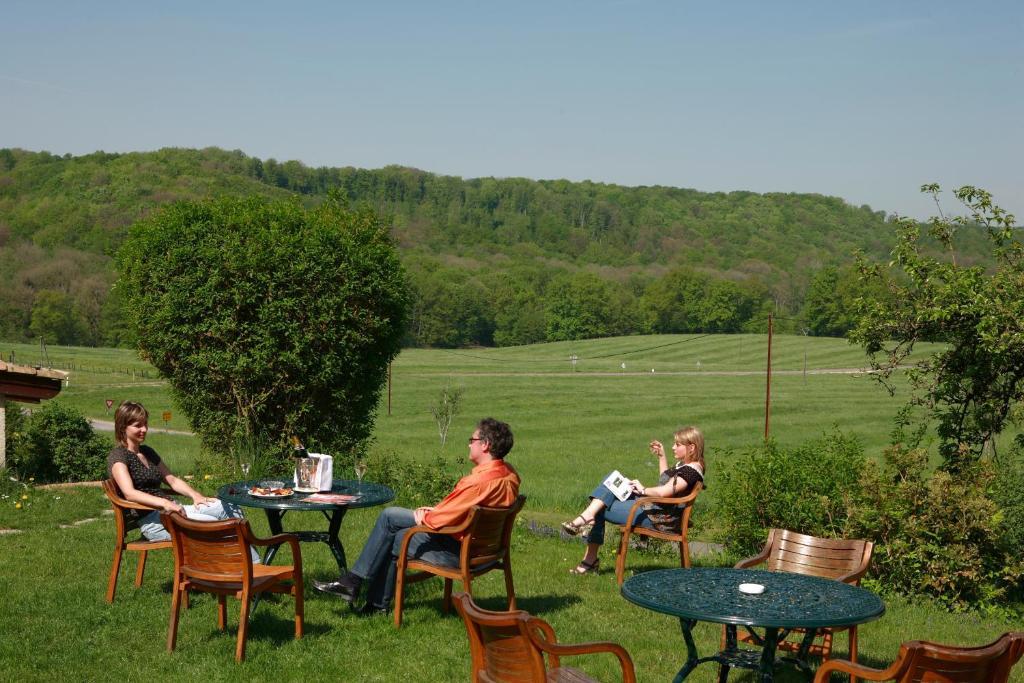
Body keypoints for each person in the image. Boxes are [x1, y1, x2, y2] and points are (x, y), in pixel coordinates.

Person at [313, 417, 519, 614]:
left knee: (390, 520)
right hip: (486, 551)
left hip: (461, 553)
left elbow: (442, 519)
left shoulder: (478, 482)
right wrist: (435, 512)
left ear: (485, 445)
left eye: (472, 440)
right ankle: (368, 597)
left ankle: (358, 587)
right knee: (396, 529)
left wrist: (427, 516)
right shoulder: (509, 475)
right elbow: (462, 510)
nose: (469, 445)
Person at [561, 426, 705, 575]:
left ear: (691, 447)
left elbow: (663, 492)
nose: (673, 447)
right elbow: (665, 482)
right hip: (656, 509)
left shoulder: (691, 472)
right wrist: (662, 457)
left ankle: (589, 558)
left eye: (677, 444)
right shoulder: (687, 466)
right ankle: (588, 521)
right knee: (610, 482)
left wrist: (642, 490)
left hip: (659, 518)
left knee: (600, 505)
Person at [107, 401, 249, 546]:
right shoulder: (119, 456)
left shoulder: (147, 451)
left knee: (228, 508)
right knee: (213, 525)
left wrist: (195, 495)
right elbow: (130, 493)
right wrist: (165, 503)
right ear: (123, 427)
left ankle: (252, 565)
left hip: (173, 510)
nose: (144, 429)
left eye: (145, 424)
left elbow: (173, 480)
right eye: (138, 425)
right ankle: (236, 564)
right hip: (154, 521)